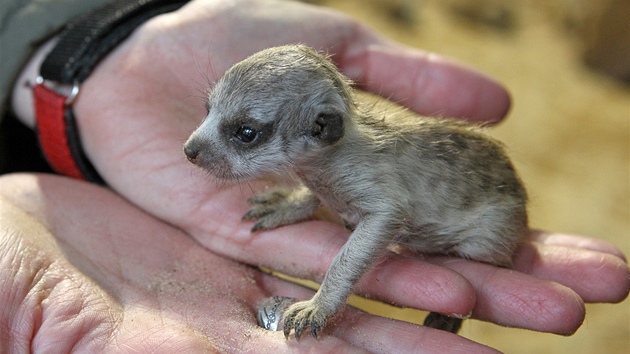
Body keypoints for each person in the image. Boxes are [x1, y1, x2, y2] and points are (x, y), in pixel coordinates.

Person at [1, 0, 628, 352]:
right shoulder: (322, 154)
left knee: (466, 274)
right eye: (212, 110)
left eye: (242, 133)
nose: (197, 145)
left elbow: (383, 212)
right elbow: (330, 187)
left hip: (477, 216)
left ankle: (449, 315)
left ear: (321, 130)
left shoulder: (354, 162)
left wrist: (328, 301)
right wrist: (302, 203)